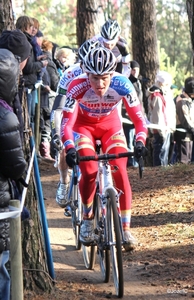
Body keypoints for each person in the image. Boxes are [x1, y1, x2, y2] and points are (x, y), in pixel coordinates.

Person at [60, 47, 148, 251]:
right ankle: (88, 217)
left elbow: (140, 120)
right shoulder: (77, 85)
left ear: (112, 74)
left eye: (105, 78)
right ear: (86, 74)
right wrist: (70, 147)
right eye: (94, 78)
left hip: (111, 127)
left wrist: (140, 141)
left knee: (120, 171)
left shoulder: (122, 84)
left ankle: (125, 229)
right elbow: (67, 124)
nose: (99, 84)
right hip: (83, 127)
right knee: (89, 171)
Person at [50, 39, 101, 216]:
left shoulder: (104, 74)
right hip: (72, 115)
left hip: (94, 116)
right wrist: (56, 133)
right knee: (65, 146)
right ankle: (64, 182)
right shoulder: (69, 75)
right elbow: (58, 107)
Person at [0, 49, 27, 300]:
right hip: (0, 202)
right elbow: (15, 164)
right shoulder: (5, 116)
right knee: (2, 269)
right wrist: (21, 173)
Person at [15, 15, 48, 133]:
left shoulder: (22, 40)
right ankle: (29, 149)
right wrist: (41, 64)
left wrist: (37, 60)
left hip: (27, 83)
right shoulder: (26, 42)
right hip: (26, 84)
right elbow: (27, 67)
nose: (33, 30)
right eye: (31, 27)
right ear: (26, 27)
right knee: (28, 118)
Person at [147, 70, 176, 166]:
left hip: (165, 129)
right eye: (167, 84)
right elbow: (158, 115)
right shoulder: (157, 96)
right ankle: (158, 173)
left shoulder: (162, 95)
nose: (168, 86)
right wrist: (162, 132)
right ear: (161, 84)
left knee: (164, 154)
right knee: (160, 154)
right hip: (160, 129)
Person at [39, 39, 60, 159]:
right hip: (49, 99)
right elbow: (55, 83)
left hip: (46, 98)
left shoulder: (43, 59)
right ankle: (46, 153)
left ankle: (46, 152)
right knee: (48, 125)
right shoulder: (50, 63)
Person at [122, 60, 145, 167]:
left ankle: (136, 162)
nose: (135, 72)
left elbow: (140, 102)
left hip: (137, 117)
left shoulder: (138, 82)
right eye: (133, 70)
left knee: (137, 142)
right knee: (129, 142)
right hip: (127, 119)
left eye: (137, 70)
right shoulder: (127, 82)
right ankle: (131, 163)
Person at [174, 77, 194, 164]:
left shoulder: (189, 101)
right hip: (183, 136)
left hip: (189, 136)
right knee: (183, 161)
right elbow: (185, 120)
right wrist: (192, 130)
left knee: (188, 160)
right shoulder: (181, 101)